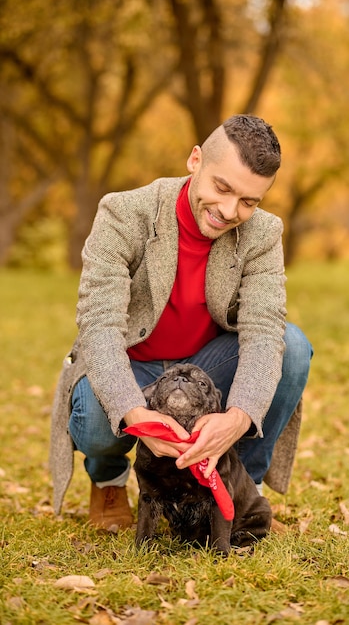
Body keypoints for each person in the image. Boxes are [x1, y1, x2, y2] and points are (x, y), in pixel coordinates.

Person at [49, 114, 312, 530]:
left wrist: (237, 418)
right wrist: (135, 414)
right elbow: (99, 325)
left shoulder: (263, 234)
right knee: (100, 422)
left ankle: (241, 489)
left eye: (249, 201)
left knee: (292, 346)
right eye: (222, 188)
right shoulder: (124, 213)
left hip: (206, 369)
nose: (230, 211)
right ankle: (109, 481)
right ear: (195, 161)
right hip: (131, 365)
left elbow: (263, 331)